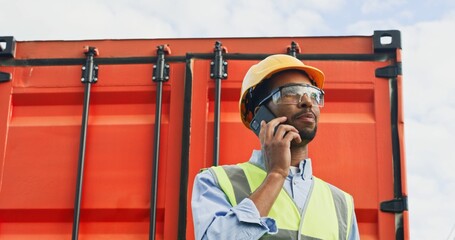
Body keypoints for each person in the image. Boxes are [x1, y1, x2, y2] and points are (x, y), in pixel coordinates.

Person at [191, 54, 360, 239]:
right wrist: (277, 174)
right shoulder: (216, 181)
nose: (307, 102)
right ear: (261, 115)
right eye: (290, 93)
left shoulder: (342, 204)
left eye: (313, 94)